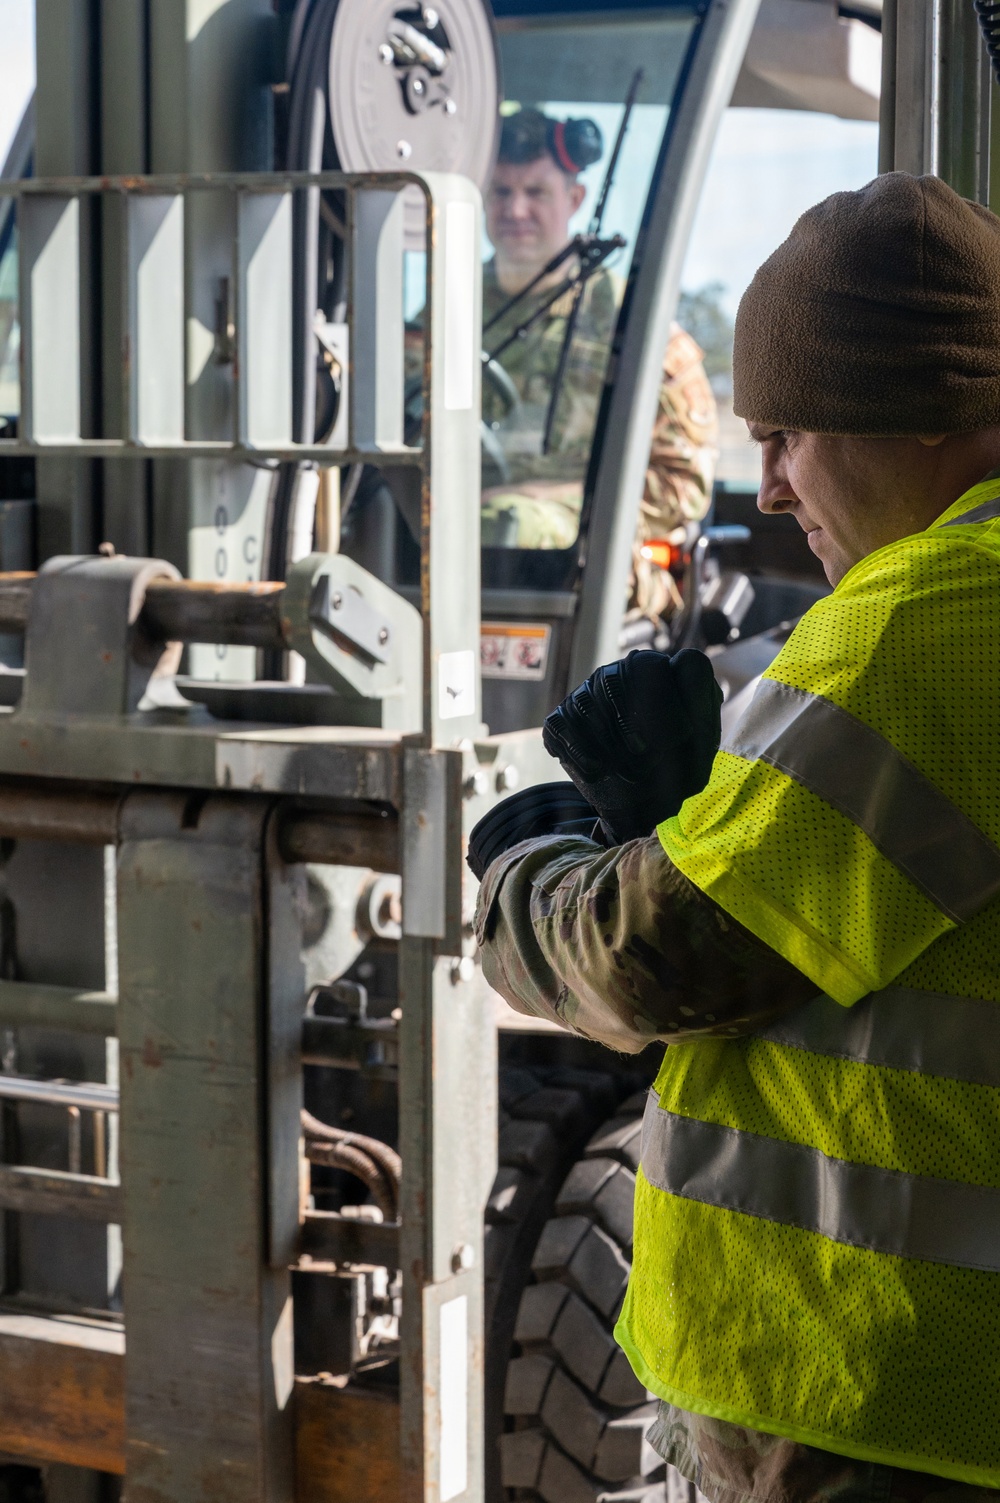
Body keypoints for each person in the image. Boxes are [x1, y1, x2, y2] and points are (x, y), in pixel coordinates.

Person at [472, 172, 1000, 1500]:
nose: (764, 490)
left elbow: (649, 960)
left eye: (786, 437)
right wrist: (687, 820)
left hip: (889, 1406)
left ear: (904, 414)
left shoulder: (929, 620)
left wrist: (532, 863)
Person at [482, 107, 718, 620]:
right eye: (501, 192)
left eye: (536, 192)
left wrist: (562, 500)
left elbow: (684, 485)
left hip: (588, 563)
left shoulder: (634, 323)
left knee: (508, 522)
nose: (516, 209)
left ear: (574, 200)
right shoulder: (443, 310)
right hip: (451, 544)